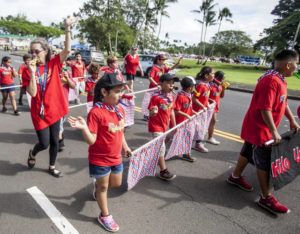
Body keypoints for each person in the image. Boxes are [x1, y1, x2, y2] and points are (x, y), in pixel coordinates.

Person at [227, 50, 299, 214]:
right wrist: (274, 131)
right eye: (296, 64)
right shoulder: (271, 80)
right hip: (260, 128)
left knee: (247, 150)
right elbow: (264, 109)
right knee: (264, 160)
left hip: (262, 127)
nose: (296, 68)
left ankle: (235, 177)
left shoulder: (280, 79)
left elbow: (283, 102)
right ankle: (266, 197)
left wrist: (293, 120)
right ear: (288, 64)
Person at [68, 73, 131, 232]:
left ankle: (98, 185)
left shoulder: (119, 110)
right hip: (100, 159)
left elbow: (120, 131)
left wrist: (125, 146)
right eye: (117, 91)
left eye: (121, 91)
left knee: (115, 184)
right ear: (104, 92)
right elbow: (91, 141)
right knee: (103, 188)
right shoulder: (96, 112)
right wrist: (84, 129)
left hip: (116, 157)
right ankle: (105, 215)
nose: (120, 95)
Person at [26, 16, 75, 177]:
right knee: (44, 143)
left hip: (54, 109)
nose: (33, 54)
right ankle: (33, 152)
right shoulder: (28, 70)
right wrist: (33, 73)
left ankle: (52, 166)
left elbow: (67, 50)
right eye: (31, 52)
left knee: (55, 141)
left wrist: (67, 28)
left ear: (45, 51)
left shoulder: (53, 63)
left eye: (36, 51)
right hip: (39, 113)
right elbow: (32, 93)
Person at [148, 73, 178, 180]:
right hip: (156, 126)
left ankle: (154, 158)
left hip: (165, 125)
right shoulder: (155, 97)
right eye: (169, 83)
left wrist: (174, 126)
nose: (171, 85)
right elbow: (150, 113)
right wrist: (153, 112)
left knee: (161, 145)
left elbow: (172, 111)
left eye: (172, 83)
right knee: (161, 147)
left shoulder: (171, 96)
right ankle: (163, 171)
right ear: (161, 83)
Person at [142, 54, 182, 120]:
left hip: (161, 88)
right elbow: (150, 77)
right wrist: (156, 84)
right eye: (163, 60)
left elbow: (171, 68)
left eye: (164, 60)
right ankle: (146, 115)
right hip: (153, 88)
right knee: (148, 102)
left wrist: (177, 63)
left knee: (161, 102)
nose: (164, 61)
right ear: (158, 60)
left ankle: (159, 115)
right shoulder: (154, 68)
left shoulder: (163, 67)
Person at [174, 76, 197, 162]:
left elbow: (188, 107)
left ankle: (186, 153)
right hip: (179, 122)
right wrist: (186, 115)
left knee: (188, 136)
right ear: (190, 87)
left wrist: (193, 112)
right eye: (193, 86)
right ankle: (160, 150)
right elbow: (176, 110)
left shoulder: (189, 95)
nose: (194, 88)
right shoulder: (180, 96)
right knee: (171, 137)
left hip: (186, 122)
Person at [192, 66, 214, 153]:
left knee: (201, 128)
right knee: (196, 128)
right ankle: (196, 144)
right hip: (197, 111)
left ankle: (198, 143)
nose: (213, 75)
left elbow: (205, 97)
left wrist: (207, 103)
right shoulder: (201, 86)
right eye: (212, 73)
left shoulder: (208, 85)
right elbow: (194, 98)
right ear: (206, 75)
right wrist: (203, 106)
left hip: (203, 111)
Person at [58, 61, 76, 152]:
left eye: (64, 64)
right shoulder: (53, 73)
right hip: (55, 103)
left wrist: (67, 79)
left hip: (64, 103)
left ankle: (59, 136)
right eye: (61, 64)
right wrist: (61, 81)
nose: (63, 66)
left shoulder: (68, 73)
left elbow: (73, 86)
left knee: (61, 121)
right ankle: (60, 141)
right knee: (59, 123)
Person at [207, 71, 227, 145]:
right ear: (218, 77)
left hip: (215, 106)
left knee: (212, 122)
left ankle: (209, 137)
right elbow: (205, 97)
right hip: (209, 106)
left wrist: (224, 88)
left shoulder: (220, 85)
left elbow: (221, 96)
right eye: (223, 78)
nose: (224, 79)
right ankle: (210, 138)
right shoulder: (210, 85)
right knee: (213, 121)